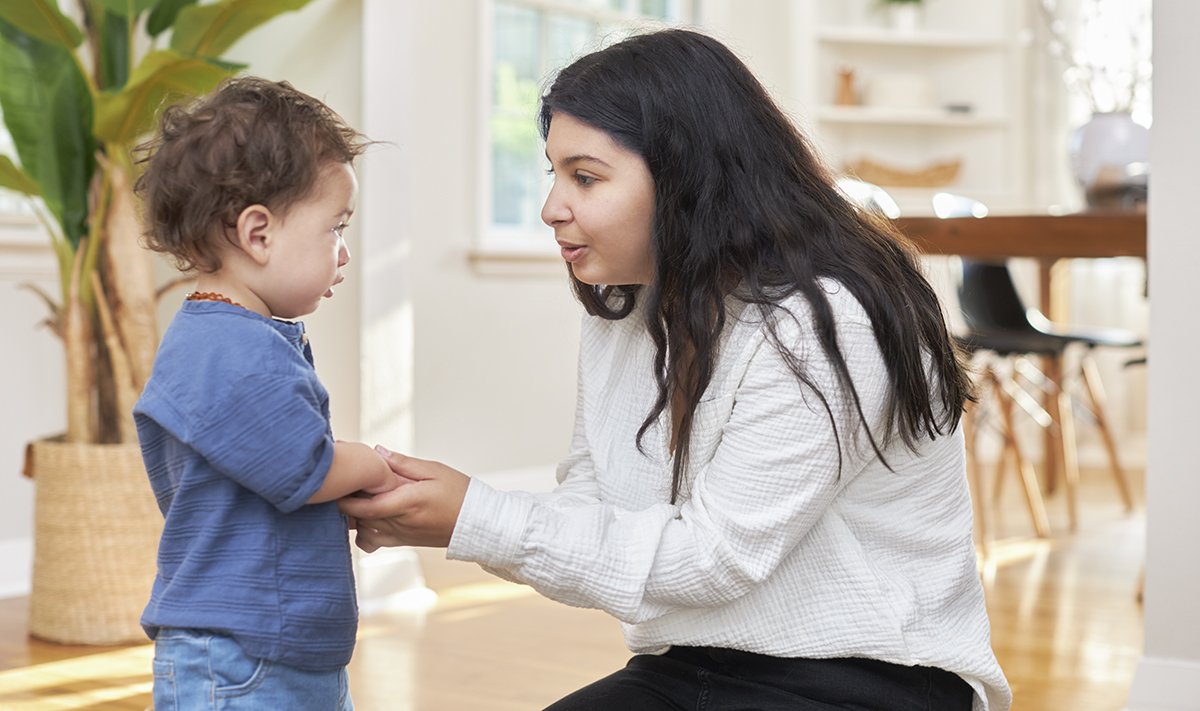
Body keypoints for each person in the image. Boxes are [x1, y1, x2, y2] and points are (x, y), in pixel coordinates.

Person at [340, 29, 1012, 711]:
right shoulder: (633, 304)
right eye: (554, 173)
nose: (551, 209)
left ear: (687, 173)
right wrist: (454, 511)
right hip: (695, 665)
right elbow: (592, 501)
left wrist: (475, 517)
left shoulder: (827, 317)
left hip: (872, 678)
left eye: (586, 176)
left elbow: (716, 558)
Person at [132, 76, 399, 710]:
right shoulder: (229, 350)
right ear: (258, 234)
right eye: (335, 228)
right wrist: (371, 463)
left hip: (272, 647)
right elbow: (304, 468)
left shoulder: (243, 337)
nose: (344, 254)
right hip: (239, 660)